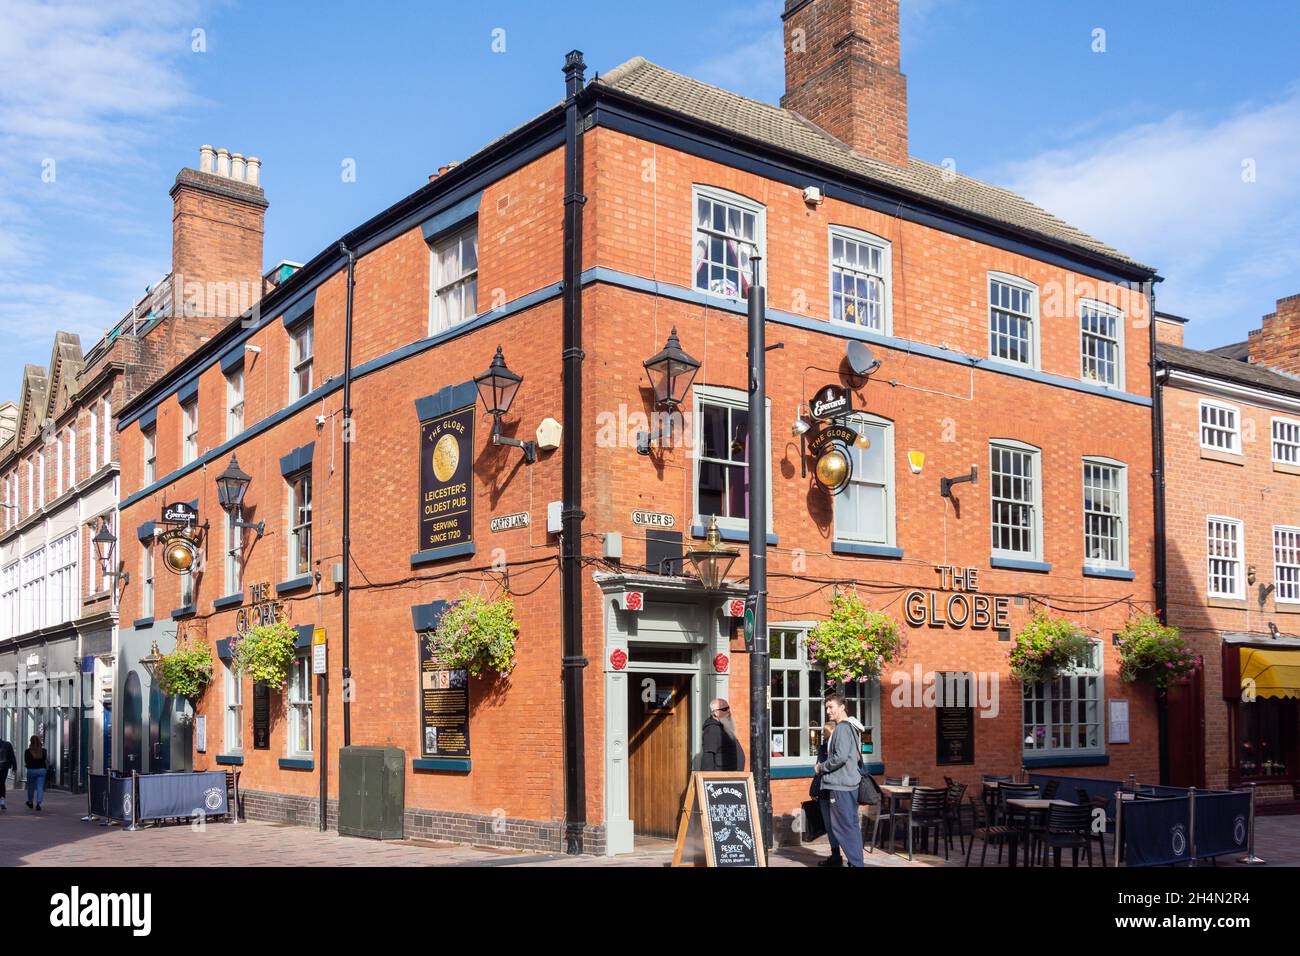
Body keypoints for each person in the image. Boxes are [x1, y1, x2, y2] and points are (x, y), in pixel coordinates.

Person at [816, 693, 864, 867]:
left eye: (831, 707)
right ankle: (855, 862)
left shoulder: (843, 728)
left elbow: (841, 757)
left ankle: (856, 864)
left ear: (842, 707)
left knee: (843, 828)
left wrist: (821, 767)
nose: (828, 711)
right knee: (851, 826)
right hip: (849, 784)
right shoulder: (851, 726)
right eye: (826, 707)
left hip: (841, 786)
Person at [811, 721, 842, 866]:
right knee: (829, 826)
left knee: (839, 826)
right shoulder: (822, 747)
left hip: (837, 792)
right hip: (823, 791)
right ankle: (835, 856)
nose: (823, 734)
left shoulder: (838, 748)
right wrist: (814, 789)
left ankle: (849, 857)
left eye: (826, 732)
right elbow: (818, 770)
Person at [700, 698, 745, 771]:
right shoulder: (712, 730)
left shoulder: (725, 727)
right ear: (715, 713)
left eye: (728, 708)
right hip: (721, 779)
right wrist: (707, 779)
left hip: (732, 778)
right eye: (724, 709)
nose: (729, 712)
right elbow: (708, 757)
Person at [24, 735, 47, 811]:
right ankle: (38, 803)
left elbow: (26, 761)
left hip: (31, 770)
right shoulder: (43, 751)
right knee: (40, 787)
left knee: (31, 787)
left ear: (31, 741)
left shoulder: (27, 751)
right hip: (41, 770)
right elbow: (45, 760)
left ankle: (30, 802)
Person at [0, 735, 15, 811]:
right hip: (4, 767)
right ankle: (2, 801)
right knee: (2, 783)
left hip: (4, 766)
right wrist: (14, 767)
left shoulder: (7, 744)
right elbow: (12, 756)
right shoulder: (7, 744)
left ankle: (2, 801)